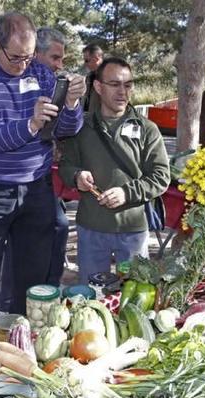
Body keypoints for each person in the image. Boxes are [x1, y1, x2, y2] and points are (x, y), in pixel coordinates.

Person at [0, 12, 85, 337]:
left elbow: (65, 131)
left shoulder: (41, 73)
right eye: (15, 57)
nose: (22, 66)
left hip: (35, 190)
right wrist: (30, 123)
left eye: (28, 57)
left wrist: (71, 104)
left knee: (31, 278)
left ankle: (21, 348)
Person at [60, 57, 170, 282]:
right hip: (91, 228)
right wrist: (76, 176)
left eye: (128, 85)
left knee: (134, 298)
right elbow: (65, 165)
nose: (123, 92)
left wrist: (126, 193)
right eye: (115, 84)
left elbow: (161, 177)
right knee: (91, 300)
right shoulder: (81, 126)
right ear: (98, 87)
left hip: (133, 230)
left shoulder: (147, 129)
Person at [0, 26, 72, 311]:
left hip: (42, 181)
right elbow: (2, 133)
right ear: (35, 53)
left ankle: (48, 292)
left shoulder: (52, 83)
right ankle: (11, 302)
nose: (59, 65)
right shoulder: (13, 84)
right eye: (54, 57)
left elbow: (65, 127)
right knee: (19, 244)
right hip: (11, 184)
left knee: (57, 228)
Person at [82, 43, 103, 113]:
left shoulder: (110, 78)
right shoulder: (89, 77)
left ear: (96, 59)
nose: (85, 64)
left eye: (87, 60)